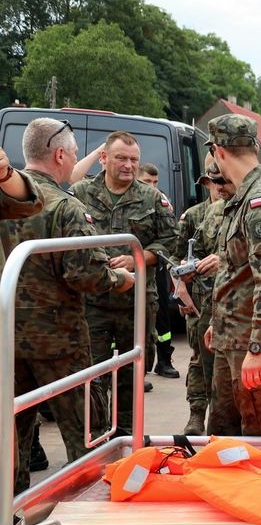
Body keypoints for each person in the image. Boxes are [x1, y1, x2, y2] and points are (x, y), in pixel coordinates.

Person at [2, 118, 133, 494]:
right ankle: (87, 519)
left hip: (9, 341)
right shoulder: (65, 207)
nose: (76, 159)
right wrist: (121, 279)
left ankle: (12, 524)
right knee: (86, 436)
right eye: (74, 153)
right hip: (59, 343)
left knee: (12, 437)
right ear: (60, 154)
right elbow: (85, 276)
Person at [73, 131, 176, 433]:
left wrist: (139, 258)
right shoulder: (81, 194)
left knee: (132, 373)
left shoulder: (152, 198)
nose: (128, 165)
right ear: (104, 158)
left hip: (137, 302)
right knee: (93, 373)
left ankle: (128, 434)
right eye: (121, 158)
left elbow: (171, 241)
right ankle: (97, 436)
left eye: (134, 160)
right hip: (93, 302)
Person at [203, 114, 261, 436]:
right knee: (222, 435)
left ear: (218, 151)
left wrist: (258, 347)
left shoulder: (260, 202)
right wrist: (220, 324)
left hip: (253, 346)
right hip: (235, 339)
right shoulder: (242, 199)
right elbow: (237, 271)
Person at [174, 156, 233, 435]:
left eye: (222, 181)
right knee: (199, 358)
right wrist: (180, 286)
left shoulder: (238, 210)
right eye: (213, 182)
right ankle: (197, 414)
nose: (217, 188)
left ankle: (218, 418)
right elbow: (176, 255)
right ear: (206, 182)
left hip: (225, 301)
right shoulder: (195, 216)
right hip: (198, 300)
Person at [137, 161, 179, 379]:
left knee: (162, 315)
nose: (152, 186)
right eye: (147, 181)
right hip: (130, 268)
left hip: (156, 266)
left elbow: (169, 234)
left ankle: (164, 360)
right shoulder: (135, 199)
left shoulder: (159, 200)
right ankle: (137, 368)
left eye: (155, 182)